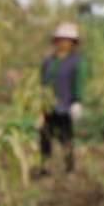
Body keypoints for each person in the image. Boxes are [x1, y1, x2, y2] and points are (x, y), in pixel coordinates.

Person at [38, 22, 87, 175]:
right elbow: (42, 82)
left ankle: (69, 168)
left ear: (73, 43)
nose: (63, 43)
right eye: (61, 39)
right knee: (45, 136)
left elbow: (79, 82)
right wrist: (39, 103)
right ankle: (45, 167)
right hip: (48, 105)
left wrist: (77, 101)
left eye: (67, 40)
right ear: (56, 41)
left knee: (66, 137)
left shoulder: (77, 62)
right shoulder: (48, 61)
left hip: (66, 105)